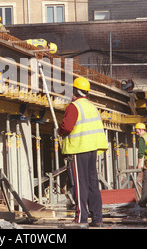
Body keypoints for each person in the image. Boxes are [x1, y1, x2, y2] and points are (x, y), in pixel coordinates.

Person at [58, 76, 108, 228]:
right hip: (92, 149)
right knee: (93, 183)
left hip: (78, 149)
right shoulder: (91, 106)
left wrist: (58, 130)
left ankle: (81, 218)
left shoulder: (74, 106)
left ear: (74, 91)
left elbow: (67, 127)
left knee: (80, 185)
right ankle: (97, 218)